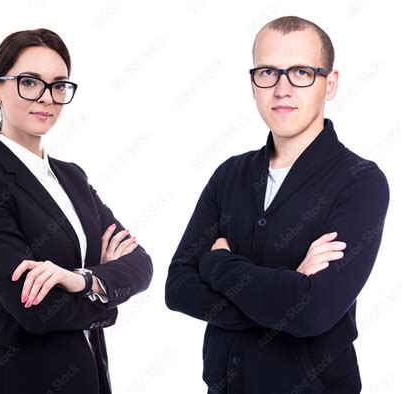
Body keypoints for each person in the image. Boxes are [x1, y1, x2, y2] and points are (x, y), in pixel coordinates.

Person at [165, 16, 389, 393]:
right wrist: (288, 290)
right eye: (268, 72)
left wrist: (217, 263)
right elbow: (178, 287)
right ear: (253, 83)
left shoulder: (360, 181)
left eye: (301, 72)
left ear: (329, 83)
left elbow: (312, 312)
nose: (282, 88)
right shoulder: (230, 175)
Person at [0, 28, 153, 394]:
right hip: (26, 380)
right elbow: (36, 311)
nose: (46, 97)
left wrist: (82, 280)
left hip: (93, 379)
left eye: (58, 85)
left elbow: (142, 264)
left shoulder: (72, 176)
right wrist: (108, 300)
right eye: (30, 82)